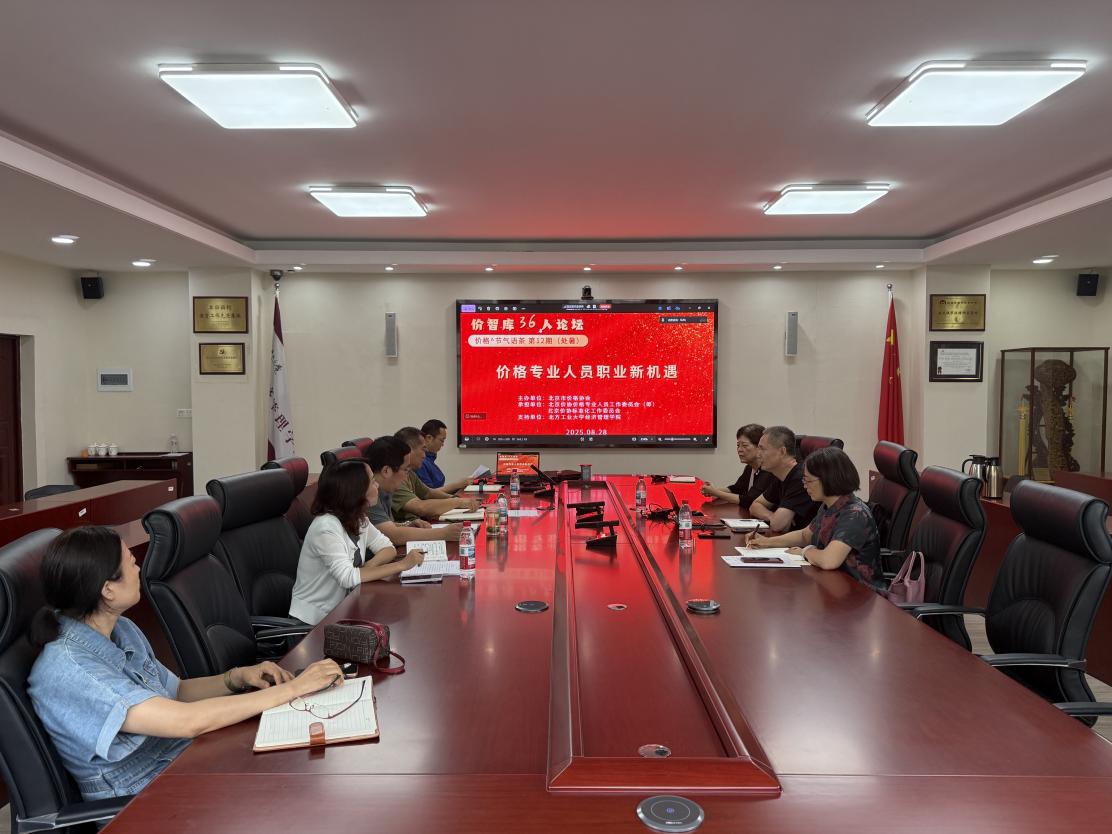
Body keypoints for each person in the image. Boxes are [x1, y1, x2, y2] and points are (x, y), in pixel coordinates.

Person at [27, 526, 343, 801]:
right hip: (142, 798)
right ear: (107, 589)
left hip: (180, 759)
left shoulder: (120, 628)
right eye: (132, 562)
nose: (138, 569)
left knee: (300, 767)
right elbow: (185, 721)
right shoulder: (72, 669)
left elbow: (175, 692)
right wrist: (294, 689)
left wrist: (237, 677)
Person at [289, 458, 425, 625]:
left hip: (343, 612)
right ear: (356, 491)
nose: (377, 486)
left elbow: (388, 548)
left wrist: (369, 566)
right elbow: (347, 578)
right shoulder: (326, 527)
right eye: (373, 482)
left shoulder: (358, 518)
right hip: (313, 623)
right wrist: (402, 565)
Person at [746, 446, 881, 587]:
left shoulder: (855, 514)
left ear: (829, 479)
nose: (805, 486)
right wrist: (766, 542)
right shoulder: (829, 506)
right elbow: (805, 535)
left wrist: (804, 552)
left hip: (859, 592)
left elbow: (829, 560)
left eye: (808, 481)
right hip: (833, 585)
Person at [367, 435, 465, 545]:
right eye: (405, 470)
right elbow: (392, 535)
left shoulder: (385, 488)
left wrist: (407, 524)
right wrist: (443, 533)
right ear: (386, 471)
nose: (406, 476)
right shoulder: (369, 494)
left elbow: (383, 526)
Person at [391, 427, 479, 522]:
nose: (424, 455)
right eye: (423, 449)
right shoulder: (394, 477)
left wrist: (455, 498)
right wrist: (458, 502)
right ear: (408, 450)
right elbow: (420, 507)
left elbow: (428, 493)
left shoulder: (410, 473)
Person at [748, 426, 819, 532]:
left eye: (762, 449)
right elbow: (754, 506)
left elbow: (778, 526)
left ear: (782, 451)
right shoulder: (781, 475)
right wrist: (772, 516)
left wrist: (775, 519)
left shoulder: (801, 479)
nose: (758, 455)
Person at [701, 423, 775, 508]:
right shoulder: (749, 467)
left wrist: (716, 493)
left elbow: (749, 500)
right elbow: (736, 489)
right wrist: (711, 490)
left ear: (759, 447)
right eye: (738, 445)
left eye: (744, 445)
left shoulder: (768, 470)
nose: (739, 450)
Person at [415, 419, 473, 494]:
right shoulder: (420, 463)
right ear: (429, 438)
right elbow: (427, 494)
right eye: (442, 440)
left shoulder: (429, 461)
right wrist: (457, 485)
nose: (442, 444)